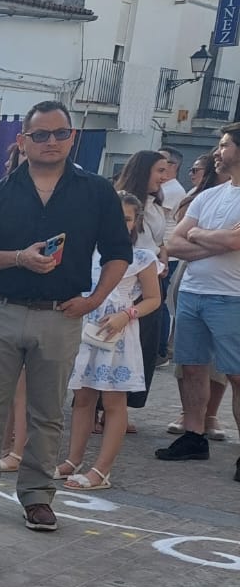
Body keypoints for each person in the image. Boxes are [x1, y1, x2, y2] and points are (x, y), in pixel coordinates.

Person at [0, 100, 132, 532]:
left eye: (59, 133)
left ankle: (37, 495)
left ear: (72, 137)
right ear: (23, 141)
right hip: (1, 311)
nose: (51, 141)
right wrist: (18, 258)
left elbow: (118, 255)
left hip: (61, 314)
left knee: (48, 411)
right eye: (40, 134)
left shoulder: (95, 192)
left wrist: (94, 301)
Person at [56, 194, 161, 490]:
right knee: (82, 397)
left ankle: (102, 470)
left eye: (126, 219)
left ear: (135, 222)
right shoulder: (86, 252)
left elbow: (154, 299)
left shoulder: (141, 258)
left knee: (114, 400)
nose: (119, 224)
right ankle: (72, 460)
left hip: (117, 333)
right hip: (85, 329)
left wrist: (127, 315)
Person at [157, 122, 240, 476]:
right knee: (191, 368)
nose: (217, 153)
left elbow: (234, 244)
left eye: (224, 145)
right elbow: (172, 243)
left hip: (232, 297)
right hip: (193, 294)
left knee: (237, 376)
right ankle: (194, 435)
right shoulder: (209, 196)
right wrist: (215, 239)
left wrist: (198, 235)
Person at [113, 150, 176, 424]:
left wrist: (162, 252)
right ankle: (103, 408)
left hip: (150, 278)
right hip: (126, 284)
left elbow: (156, 239)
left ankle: (122, 407)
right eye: (159, 171)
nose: (165, 177)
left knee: (142, 347)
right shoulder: (122, 201)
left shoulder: (154, 204)